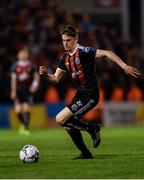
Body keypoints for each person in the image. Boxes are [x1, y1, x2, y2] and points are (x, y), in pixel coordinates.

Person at [39, 25, 140, 159]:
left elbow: (107, 53)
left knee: (60, 119)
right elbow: (55, 78)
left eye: (68, 40)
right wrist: (46, 75)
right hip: (80, 95)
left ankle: (92, 128)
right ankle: (86, 153)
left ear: (76, 39)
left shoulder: (83, 52)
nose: (65, 43)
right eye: (63, 40)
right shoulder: (65, 58)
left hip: (91, 95)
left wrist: (124, 66)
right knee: (68, 125)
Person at [10, 48, 40, 136]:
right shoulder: (15, 65)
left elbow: (36, 77)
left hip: (27, 90)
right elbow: (13, 79)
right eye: (21, 53)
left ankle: (25, 128)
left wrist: (35, 85)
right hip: (18, 90)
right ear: (18, 55)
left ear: (27, 55)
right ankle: (23, 125)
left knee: (27, 109)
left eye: (24, 53)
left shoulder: (31, 65)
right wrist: (13, 91)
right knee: (18, 111)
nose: (23, 55)